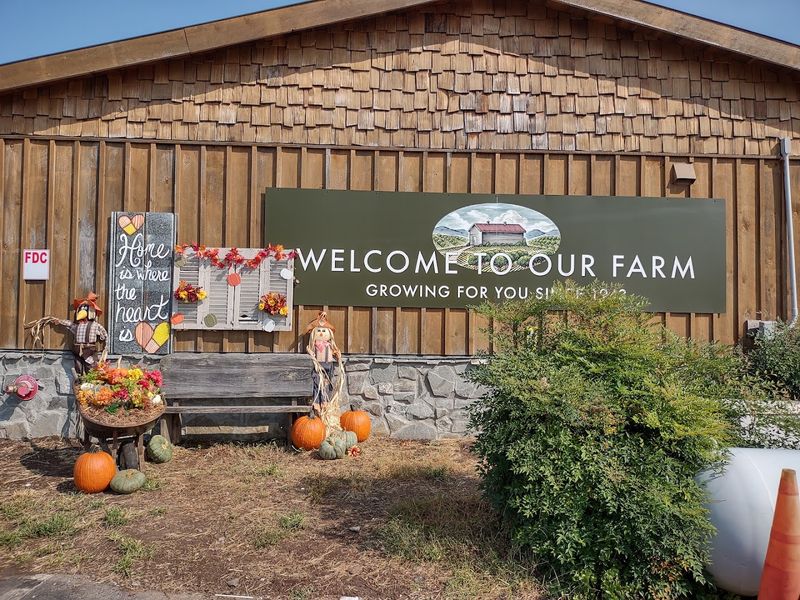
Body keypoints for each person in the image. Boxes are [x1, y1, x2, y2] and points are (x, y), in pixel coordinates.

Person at [56, 292, 108, 376]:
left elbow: (105, 335)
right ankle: (79, 381)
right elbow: (69, 323)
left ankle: (90, 382)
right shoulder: (77, 326)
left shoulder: (95, 325)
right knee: (78, 366)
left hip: (89, 349)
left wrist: (106, 347)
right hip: (77, 350)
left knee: (90, 367)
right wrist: (59, 321)